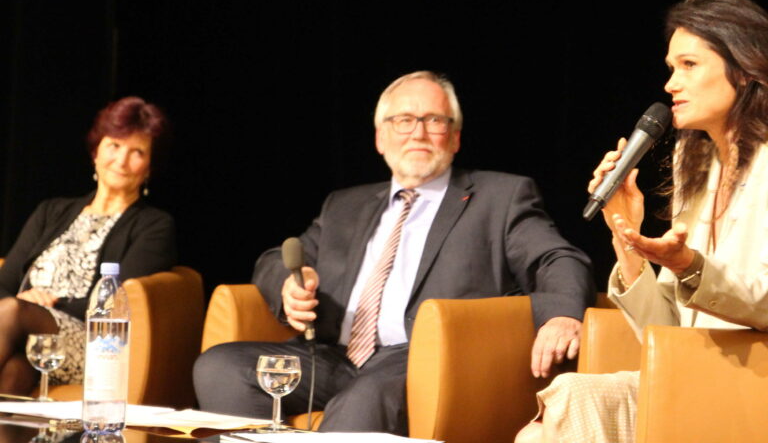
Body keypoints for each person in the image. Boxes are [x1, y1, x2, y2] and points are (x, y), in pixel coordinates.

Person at [194, 70, 594, 435]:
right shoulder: (344, 205)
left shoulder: (500, 197)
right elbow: (274, 259)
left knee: (361, 402)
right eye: (403, 120)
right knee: (220, 367)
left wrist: (561, 314)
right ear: (380, 138)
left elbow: (557, 258)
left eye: (434, 120)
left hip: (423, 357)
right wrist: (288, 286)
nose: (418, 133)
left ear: (455, 137)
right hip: (335, 356)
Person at [516, 0, 768, 443]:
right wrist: (625, 233)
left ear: (746, 68)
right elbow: (666, 331)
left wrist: (690, 266)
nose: (671, 84)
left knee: (561, 413)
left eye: (689, 65)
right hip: (691, 378)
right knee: (548, 421)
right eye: (671, 68)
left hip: (753, 384)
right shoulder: (696, 167)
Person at [0, 96, 177, 395]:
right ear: (96, 150)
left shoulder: (154, 226)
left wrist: (32, 309)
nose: (121, 161)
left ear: (149, 166)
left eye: (137, 152)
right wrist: (25, 304)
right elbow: (4, 283)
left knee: (14, 312)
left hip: (93, 343)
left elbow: (115, 302)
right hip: (22, 334)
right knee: (15, 369)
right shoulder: (51, 211)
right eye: (114, 145)